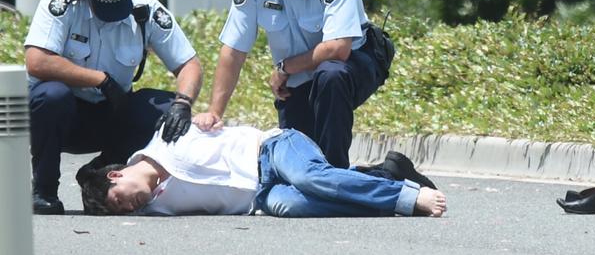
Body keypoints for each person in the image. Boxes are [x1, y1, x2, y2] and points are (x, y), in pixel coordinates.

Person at [194, 0, 386, 169]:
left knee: (331, 76)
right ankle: (389, 173)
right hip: (299, 80)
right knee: (296, 167)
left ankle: (336, 177)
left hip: (354, 64)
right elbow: (234, 49)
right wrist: (214, 112)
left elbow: (339, 49)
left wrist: (284, 68)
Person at [24, 0, 203, 215]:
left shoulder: (144, 8)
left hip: (111, 110)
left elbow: (189, 64)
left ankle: (99, 173)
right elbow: (37, 61)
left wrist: (184, 103)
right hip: (60, 117)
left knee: (166, 110)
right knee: (52, 95)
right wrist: (101, 79)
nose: (111, 16)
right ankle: (44, 190)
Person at [77, 123, 447, 218]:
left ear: (115, 175)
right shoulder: (155, 209)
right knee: (296, 206)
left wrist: (208, 113)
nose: (126, 209)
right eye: (119, 213)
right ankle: (383, 175)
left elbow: (204, 116)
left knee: (310, 178)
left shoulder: (167, 136)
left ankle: (406, 197)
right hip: (261, 196)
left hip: (271, 149)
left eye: (116, 202)